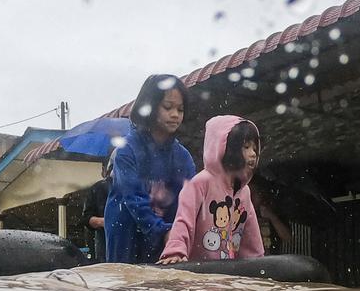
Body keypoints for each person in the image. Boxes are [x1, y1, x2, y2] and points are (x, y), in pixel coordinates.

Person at [103, 75, 197, 264]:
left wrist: (179, 233)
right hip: (126, 238)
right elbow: (134, 200)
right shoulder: (127, 150)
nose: (175, 115)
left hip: (168, 240)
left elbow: (189, 203)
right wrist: (163, 231)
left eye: (180, 109)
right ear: (150, 106)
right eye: (168, 107)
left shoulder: (183, 157)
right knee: (125, 290)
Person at [158, 116, 265, 263]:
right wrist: (175, 251)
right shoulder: (200, 183)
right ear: (226, 148)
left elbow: (250, 235)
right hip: (199, 272)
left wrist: (258, 263)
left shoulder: (244, 191)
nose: (253, 153)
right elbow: (183, 220)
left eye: (254, 148)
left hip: (227, 273)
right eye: (246, 147)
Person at [79, 156, 112, 260]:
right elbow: (85, 218)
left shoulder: (132, 187)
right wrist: (104, 222)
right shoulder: (98, 188)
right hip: (102, 239)